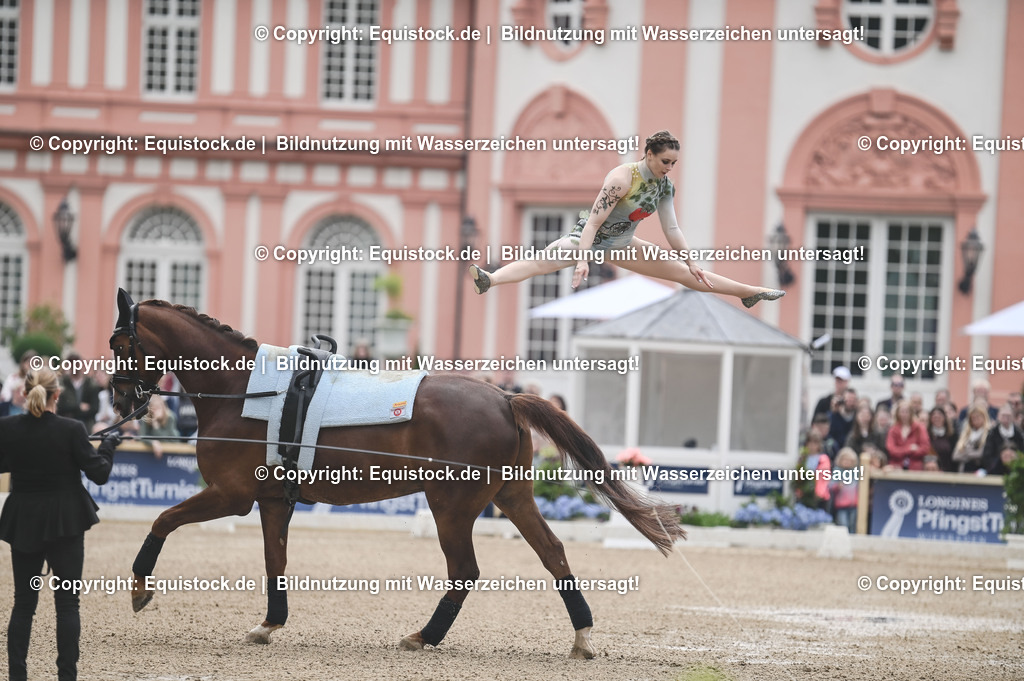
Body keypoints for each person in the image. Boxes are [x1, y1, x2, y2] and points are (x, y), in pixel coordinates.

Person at [468, 131, 785, 309]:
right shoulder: (621, 179)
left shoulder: (664, 186)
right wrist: (582, 260)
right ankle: (490, 279)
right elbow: (593, 223)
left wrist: (691, 261)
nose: (668, 168)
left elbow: (671, 228)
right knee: (540, 263)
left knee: (685, 273)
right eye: (665, 161)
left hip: (623, 244)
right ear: (649, 154)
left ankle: (747, 292)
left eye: (673, 163)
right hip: (588, 240)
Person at [0, 367, 120, 681]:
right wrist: (108, 445)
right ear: (58, 394)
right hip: (67, 520)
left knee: (23, 604)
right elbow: (99, 473)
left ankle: (17, 676)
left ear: (24, 393)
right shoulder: (72, 429)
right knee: (67, 603)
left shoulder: (7, 427)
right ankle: (67, 676)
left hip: (24, 519)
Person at [56, 353, 101, 431]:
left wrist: (72, 411)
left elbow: (95, 408)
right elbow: (60, 407)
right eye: (72, 364)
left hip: (87, 424)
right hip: (66, 423)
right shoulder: (62, 383)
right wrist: (78, 407)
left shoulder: (91, 384)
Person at [886, 400, 930, 471]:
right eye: (902, 412)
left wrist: (900, 450)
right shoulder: (893, 429)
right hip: (896, 466)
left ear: (911, 413)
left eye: (907, 412)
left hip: (915, 467)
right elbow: (892, 450)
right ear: (898, 413)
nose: (904, 414)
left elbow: (924, 448)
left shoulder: (920, 428)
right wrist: (909, 449)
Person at [981, 404, 1024, 476]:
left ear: (1013, 417)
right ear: (998, 416)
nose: (1006, 418)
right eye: (1003, 415)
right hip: (995, 471)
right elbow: (987, 455)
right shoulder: (992, 433)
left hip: (1015, 471)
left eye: (1008, 416)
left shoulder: (1018, 434)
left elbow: (1021, 452)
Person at [138, 394, 180, 459]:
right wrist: (153, 442)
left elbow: (173, 440)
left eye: (158, 408)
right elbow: (142, 436)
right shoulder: (147, 417)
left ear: (163, 408)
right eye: (154, 409)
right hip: (149, 454)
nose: (156, 412)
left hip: (169, 453)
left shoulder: (170, 417)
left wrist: (156, 426)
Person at [829, 448, 859, 533]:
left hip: (854, 505)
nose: (847, 462)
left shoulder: (856, 472)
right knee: (843, 525)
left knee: (852, 525)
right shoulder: (837, 471)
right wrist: (837, 486)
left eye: (849, 460)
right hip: (841, 505)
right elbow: (830, 485)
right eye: (845, 460)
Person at [952, 405, 990, 474]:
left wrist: (966, 452)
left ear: (984, 418)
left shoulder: (989, 434)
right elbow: (956, 456)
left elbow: (982, 454)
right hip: (964, 470)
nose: (976, 420)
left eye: (978, 417)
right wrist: (971, 455)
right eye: (973, 418)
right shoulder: (965, 435)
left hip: (980, 470)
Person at [0, 351, 40, 416]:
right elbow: (5, 395)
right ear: (23, 363)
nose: (30, 365)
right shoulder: (13, 378)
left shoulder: (39, 380)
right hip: (12, 409)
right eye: (28, 362)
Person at [926, 406, 958, 472]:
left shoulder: (952, 435)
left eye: (939, 416)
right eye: (934, 417)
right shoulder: (927, 434)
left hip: (949, 470)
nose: (937, 419)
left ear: (944, 418)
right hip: (932, 470)